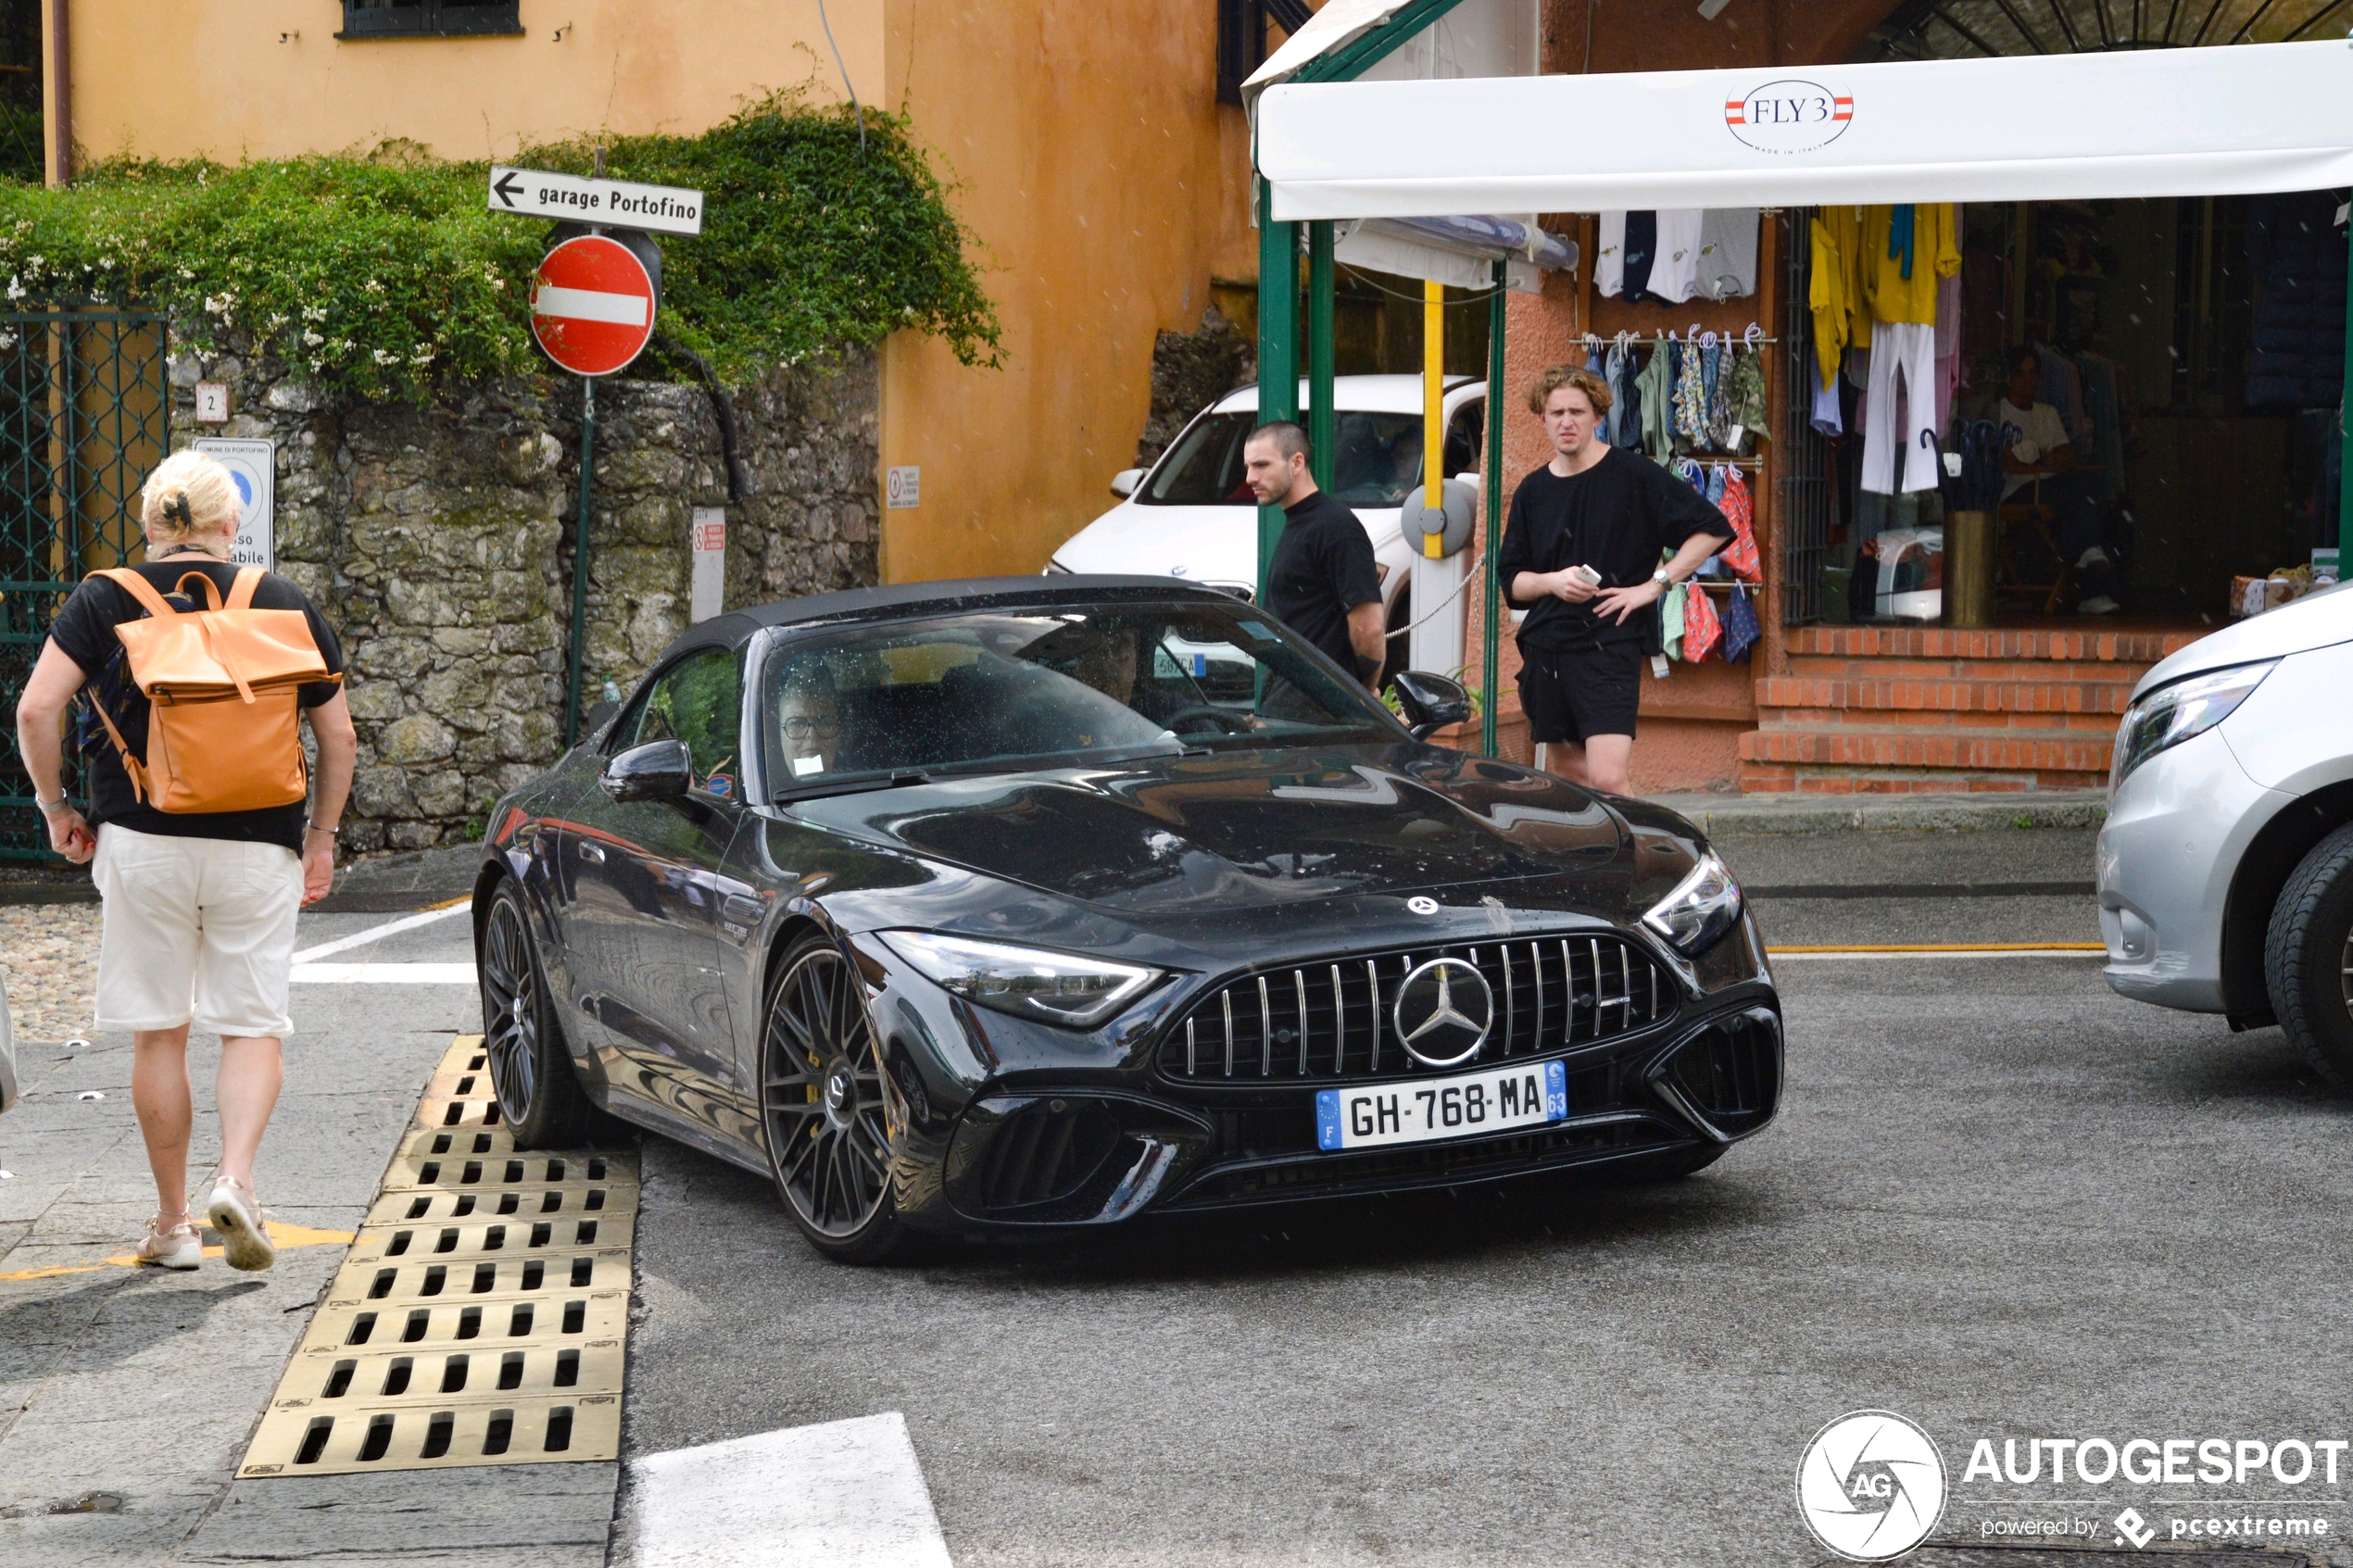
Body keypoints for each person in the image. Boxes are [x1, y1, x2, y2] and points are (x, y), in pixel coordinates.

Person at [13, 450, 355, 1273]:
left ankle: (172, 1226)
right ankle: (236, 1179)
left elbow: (36, 707)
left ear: (150, 525)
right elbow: (337, 736)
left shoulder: (102, 599)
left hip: (141, 841)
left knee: (160, 1032)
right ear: (229, 526)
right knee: (250, 1024)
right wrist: (321, 836)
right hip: (259, 846)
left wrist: (58, 807)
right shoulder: (283, 601)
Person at [1499, 365, 1732, 797]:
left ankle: (1633, 859)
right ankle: (1588, 858)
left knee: (1607, 778)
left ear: (1597, 416)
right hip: (1547, 647)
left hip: (1610, 644)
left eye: (1577, 411)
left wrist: (1654, 585)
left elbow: (1713, 528)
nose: (1566, 422)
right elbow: (1512, 582)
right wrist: (1553, 582)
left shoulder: (1633, 474)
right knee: (1570, 778)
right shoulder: (1532, 491)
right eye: (1556, 413)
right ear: (1542, 419)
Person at [1245, 421, 1386, 688]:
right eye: (1248, 467)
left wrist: (1361, 698)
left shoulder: (1335, 526)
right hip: (1291, 712)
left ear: (1296, 463)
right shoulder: (1300, 522)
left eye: (1261, 465)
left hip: (1321, 715)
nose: (1250, 478)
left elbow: (1370, 628)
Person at [1996, 345, 2120, 614]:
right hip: (2016, 490)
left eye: (2034, 374)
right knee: (2076, 495)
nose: (2029, 381)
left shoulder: (2047, 413)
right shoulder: (1999, 412)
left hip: (2055, 487)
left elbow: (2068, 457)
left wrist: (2036, 459)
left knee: (2088, 492)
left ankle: (2091, 566)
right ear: (2010, 378)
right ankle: (2092, 578)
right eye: (2022, 374)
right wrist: (2045, 459)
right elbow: (2009, 464)